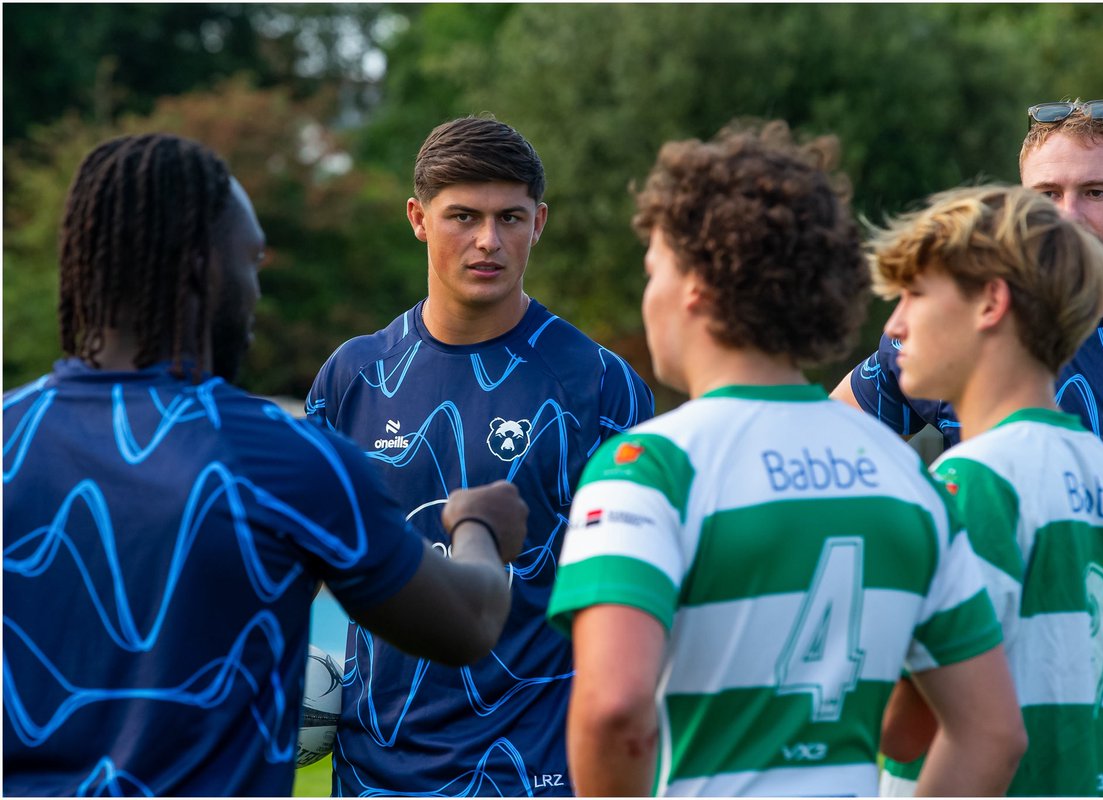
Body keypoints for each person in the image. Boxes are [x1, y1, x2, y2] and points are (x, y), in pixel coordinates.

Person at [2, 133, 530, 797]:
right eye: (251, 260)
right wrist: (478, 526)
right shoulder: (284, 461)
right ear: (203, 269)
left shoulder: (8, 440)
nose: (256, 291)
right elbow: (469, 625)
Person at [544, 121, 1027, 796]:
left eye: (653, 268)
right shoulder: (910, 481)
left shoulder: (647, 467)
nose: (646, 294)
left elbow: (613, 709)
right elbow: (990, 733)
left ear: (696, 285)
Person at [831, 98, 1103, 796]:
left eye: (1095, 192)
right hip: (1033, 733)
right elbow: (823, 455)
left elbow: (903, 727)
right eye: (1046, 195)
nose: (1067, 216)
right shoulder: (943, 344)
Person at [306, 116, 653, 796]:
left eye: (510, 217)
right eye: (463, 216)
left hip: (532, 774)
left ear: (540, 221)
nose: (488, 241)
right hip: (372, 779)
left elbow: (639, 600)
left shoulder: (600, 386)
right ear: (417, 218)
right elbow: (298, 562)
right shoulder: (354, 377)